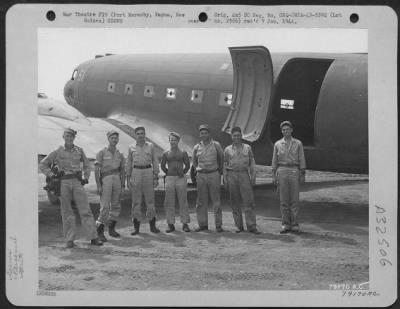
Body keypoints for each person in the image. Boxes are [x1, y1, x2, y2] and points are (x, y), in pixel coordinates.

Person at [39, 128, 103, 248]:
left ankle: (93, 237)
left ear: (74, 138)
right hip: (63, 183)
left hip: (77, 181)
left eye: (71, 136)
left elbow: (87, 165)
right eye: (67, 136)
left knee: (85, 209)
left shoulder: (79, 150)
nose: (69, 138)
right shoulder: (58, 150)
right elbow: (43, 164)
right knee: (66, 211)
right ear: (63, 137)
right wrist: (52, 175)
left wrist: (86, 177)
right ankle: (69, 239)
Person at [223, 127, 261, 234]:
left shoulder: (247, 148)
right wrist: (225, 178)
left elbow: (252, 162)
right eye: (234, 135)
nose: (236, 138)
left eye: (238, 135)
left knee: (248, 201)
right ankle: (238, 226)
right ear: (231, 137)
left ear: (241, 136)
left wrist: (253, 176)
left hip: (244, 175)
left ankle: (251, 226)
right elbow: (225, 164)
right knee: (234, 201)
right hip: (232, 175)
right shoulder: (227, 149)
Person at [271, 121, 306, 234]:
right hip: (282, 170)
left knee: (294, 199)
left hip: (294, 170)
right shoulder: (277, 144)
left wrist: (302, 173)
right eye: (283, 130)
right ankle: (285, 224)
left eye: (287, 129)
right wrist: (273, 175)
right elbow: (274, 160)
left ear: (291, 130)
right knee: (284, 200)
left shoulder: (298, 143)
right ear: (282, 131)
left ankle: (295, 224)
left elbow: (301, 158)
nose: (285, 131)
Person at [126, 126, 160, 234]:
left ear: (145, 135)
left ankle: (152, 225)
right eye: (138, 133)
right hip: (136, 172)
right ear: (135, 135)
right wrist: (128, 178)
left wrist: (155, 175)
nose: (141, 135)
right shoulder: (131, 147)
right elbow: (129, 163)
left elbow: (155, 161)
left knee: (150, 201)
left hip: (147, 172)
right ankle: (136, 227)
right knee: (136, 201)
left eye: (142, 133)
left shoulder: (150, 146)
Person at [94, 130, 125, 241]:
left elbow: (122, 170)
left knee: (116, 205)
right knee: (105, 206)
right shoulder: (101, 153)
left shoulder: (119, 154)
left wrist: (122, 185)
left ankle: (112, 229)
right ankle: (100, 232)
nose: (114, 140)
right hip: (106, 179)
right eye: (112, 138)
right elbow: (96, 170)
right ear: (108, 139)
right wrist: (98, 185)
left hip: (117, 178)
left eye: (116, 138)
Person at [192, 124, 224, 232]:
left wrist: (219, 171)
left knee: (216, 201)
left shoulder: (216, 145)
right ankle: (202, 225)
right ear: (200, 134)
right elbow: (194, 162)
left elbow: (221, 158)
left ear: (209, 134)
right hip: (201, 175)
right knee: (201, 201)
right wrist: (197, 169)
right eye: (202, 133)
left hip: (213, 174)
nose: (204, 135)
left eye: (205, 133)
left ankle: (218, 225)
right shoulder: (196, 147)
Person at [160, 132, 191, 233]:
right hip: (170, 178)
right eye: (171, 140)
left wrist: (183, 172)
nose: (173, 141)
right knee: (169, 201)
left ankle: (185, 223)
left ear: (178, 141)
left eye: (175, 140)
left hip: (180, 178)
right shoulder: (166, 153)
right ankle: (170, 224)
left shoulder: (183, 152)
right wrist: (168, 173)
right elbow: (163, 165)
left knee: (183, 200)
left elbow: (187, 165)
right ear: (169, 141)